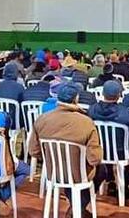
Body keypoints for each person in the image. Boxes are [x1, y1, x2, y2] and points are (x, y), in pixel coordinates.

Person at [28, 82, 102, 217]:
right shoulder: (86, 122)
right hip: (79, 174)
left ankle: (76, 207)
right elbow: (95, 159)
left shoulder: (42, 119)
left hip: (54, 172)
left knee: (71, 171)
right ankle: (78, 207)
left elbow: (34, 151)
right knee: (102, 170)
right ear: (76, 99)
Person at [87, 81, 129, 199]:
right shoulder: (125, 113)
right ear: (119, 95)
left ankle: (110, 179)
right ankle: (125, 183)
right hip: (121, 151)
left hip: (99, 150)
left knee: (108, 145)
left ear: (103, 93)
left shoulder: (92, 110)